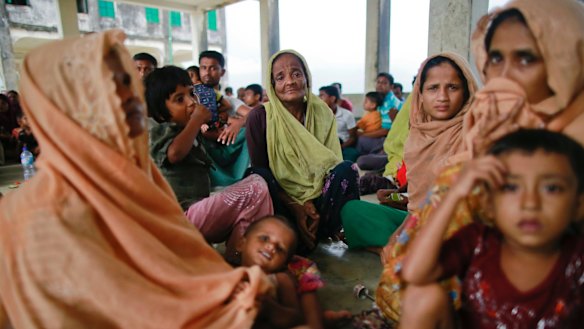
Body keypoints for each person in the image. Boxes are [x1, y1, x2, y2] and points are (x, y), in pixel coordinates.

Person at [0, 30, 271, 329]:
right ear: (60, 104)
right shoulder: (27, 217)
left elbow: (170, 256)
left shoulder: (133, 170)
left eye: (127, 82)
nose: (127, 96)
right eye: (105, 85)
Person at [377, 0, 584, 323]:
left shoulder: (573, 132)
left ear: (565, 56)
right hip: (466, 253)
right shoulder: (491, 114)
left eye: (526, 58)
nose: (504, 75)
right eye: (496, 58)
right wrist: (412, 223)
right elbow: (443, 194)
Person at [400, 129, 584, 328]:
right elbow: (414, 273)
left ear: (578, 206)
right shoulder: (478, 241)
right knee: (420, 298)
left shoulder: (578, 258)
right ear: (489, 204)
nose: (530, 203)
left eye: (551, 188)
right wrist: (454, 194)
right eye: (511, 188)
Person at [341, 52, 478, 251]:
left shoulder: (476, 132)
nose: (442, 97)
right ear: (419, 95)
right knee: (353, 210)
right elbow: (417, 205)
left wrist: (399, 236)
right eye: (433, 88)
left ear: (466, 91)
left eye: (453, 87)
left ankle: (402, 251)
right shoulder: (417, 137)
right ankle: (399, 250)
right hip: (420, 221)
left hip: (459, 227)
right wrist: (399, 198)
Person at [144, 65, 273, 263]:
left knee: (257, 181)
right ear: (161, 114)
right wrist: (196, 120)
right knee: (256, 186)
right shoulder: (162, 130)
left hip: (195, 216)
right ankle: (241, 255)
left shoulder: (188, 129)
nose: (190, 103)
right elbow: (174, 153)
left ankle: (240, 250)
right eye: (180, 99)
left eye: (191, 95)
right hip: (178, 220)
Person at [246, 50, 360, 252]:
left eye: (296, 74)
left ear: (307, 78)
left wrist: (308, 203)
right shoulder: (259, 116)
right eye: (280, 77)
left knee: (347, 169)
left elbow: (330, 163)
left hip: (318, 202)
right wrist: (296, 207)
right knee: (256, 176)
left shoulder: (321, 112)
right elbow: (261, 171)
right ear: (272, 85)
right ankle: (296, 231)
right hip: (282, 203)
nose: (289, 81)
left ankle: (318, 229)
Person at [199, 50, 250, 187]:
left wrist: (238, 123)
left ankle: (237, 179)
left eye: (213, 68)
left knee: (249, 131)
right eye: (203, 68)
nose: (207, 73)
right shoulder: (193, 98)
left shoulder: (229, 101)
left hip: (228, 145)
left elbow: (255, 114)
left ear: (222, 72)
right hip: (206, 146)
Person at [354, 73, 403, 168]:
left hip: (391, 139)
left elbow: (386, 131)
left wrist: (364, 134)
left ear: (391, 86)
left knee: (361, 140)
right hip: (387, 138)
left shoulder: (389, 103)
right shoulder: (382, 100)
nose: (380, 85)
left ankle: (381, 157)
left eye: (384, 83)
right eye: (378, 82)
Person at [318, 85, 356, 151]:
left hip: (342, 145)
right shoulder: (317, 115)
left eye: (322, 96)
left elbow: (353, 137)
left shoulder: (347, 115)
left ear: (332, 98)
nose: (318, 98)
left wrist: (340, 147)